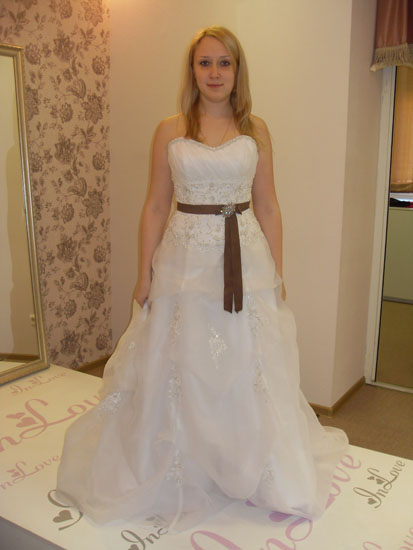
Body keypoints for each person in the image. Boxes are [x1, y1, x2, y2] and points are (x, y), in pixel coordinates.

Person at [57, 25, 348, 533]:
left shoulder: (256, 130)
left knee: (245, 361)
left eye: (224, 63)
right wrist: (144, 275)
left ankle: (251, 464)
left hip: (245, 259)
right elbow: (154, 206)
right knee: (181, 362)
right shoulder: (169, 130)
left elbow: (268, 206)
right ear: (192, 70)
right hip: (183, 262)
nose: (214, 73)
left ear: (237, 71)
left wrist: (276, 274)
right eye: (205, 63)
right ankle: (181, 466)